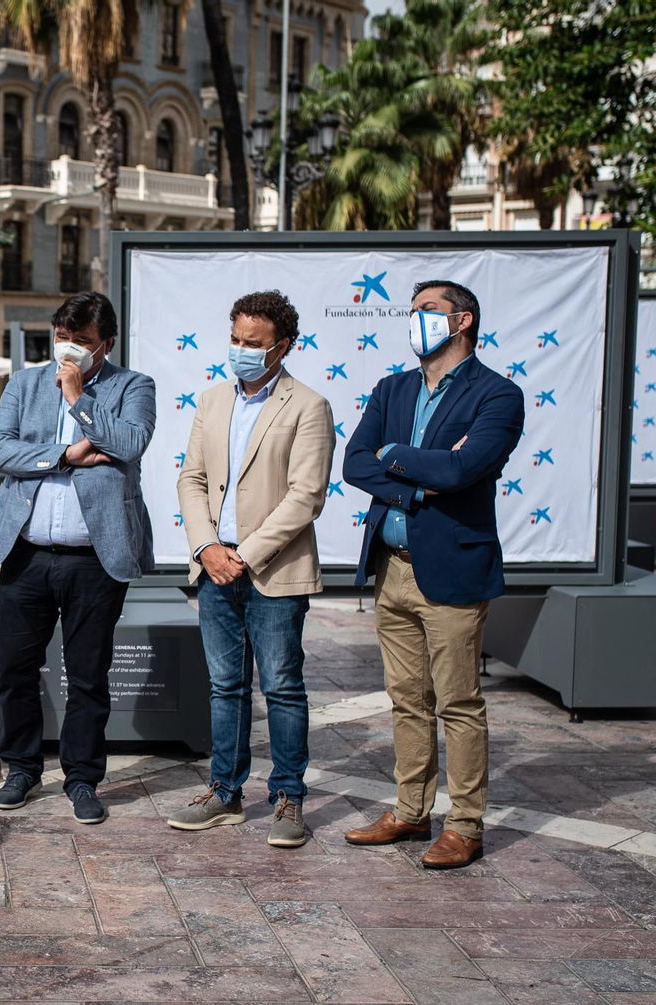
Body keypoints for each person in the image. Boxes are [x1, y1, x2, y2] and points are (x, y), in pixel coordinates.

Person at [342, 279, 524, 870]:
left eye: (427, 311)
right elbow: (353, 463)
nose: (415, 320)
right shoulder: (392, 387)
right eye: (412, 311)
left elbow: (465, 468)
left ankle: (465, 826)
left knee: (458, 703)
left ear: (462, 320)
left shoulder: (497, 394)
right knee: (406, 700)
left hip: (450, 572)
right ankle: (410, 811)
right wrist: (423, 470)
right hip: (391, 569)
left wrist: (394, 457)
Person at [0, 291, 156, 825]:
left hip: (94, 559)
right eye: (62, 337)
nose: (68, 349)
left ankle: (81, 778)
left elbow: (130, 441)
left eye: (81, 341)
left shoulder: (132, 386)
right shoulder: (25, 382)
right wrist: (63, 455)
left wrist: (78, 397)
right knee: (15, 668)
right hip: (26, 553)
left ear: (106, 345)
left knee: (87, 675)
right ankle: (21, 768)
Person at [170, 290, 334, 848]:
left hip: (273, 571)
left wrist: (245, 553)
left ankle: (288, 798)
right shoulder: (212, 401)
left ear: (282, 347)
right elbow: (191, 479)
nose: (241, 351)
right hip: (214, 567)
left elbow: (306, 494)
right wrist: (206, 548)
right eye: (236, 340)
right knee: (225, 687)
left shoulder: (308, 406)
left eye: (254, 344)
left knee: (283, 687)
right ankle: (225, 793)